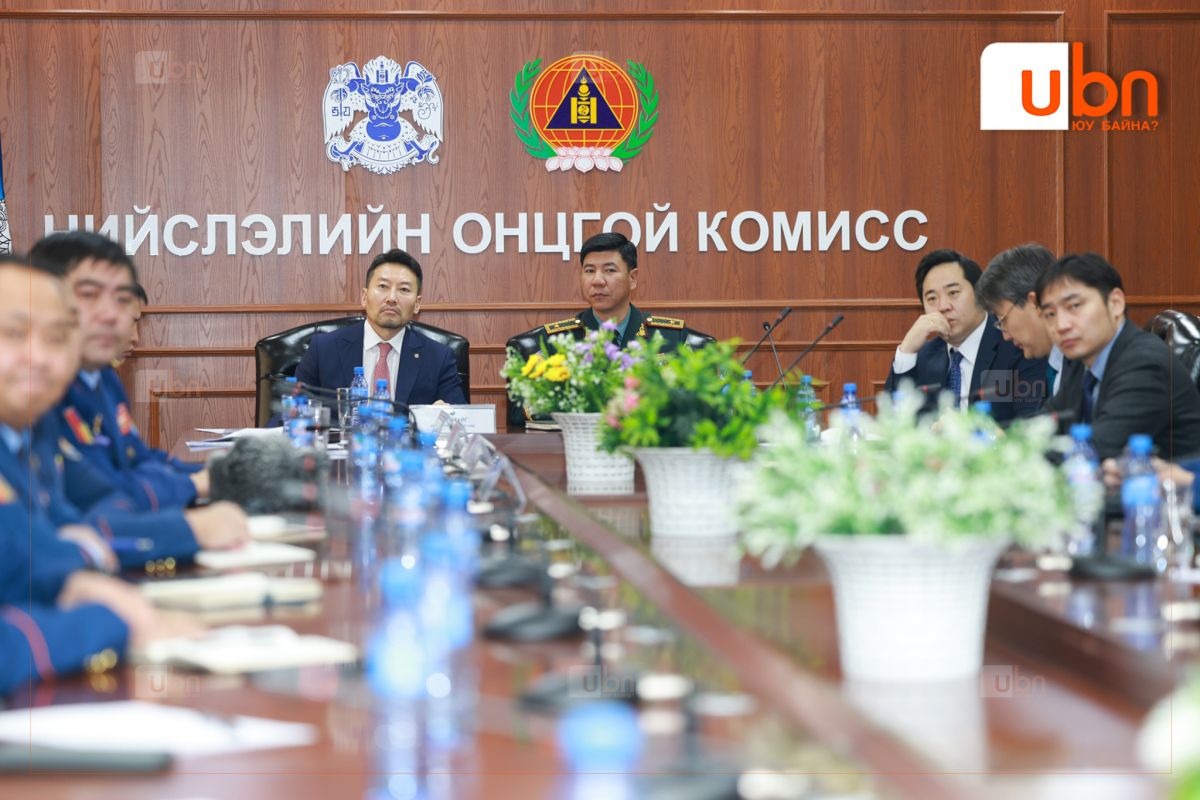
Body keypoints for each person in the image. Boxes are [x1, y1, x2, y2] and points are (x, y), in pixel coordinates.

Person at [0, 253, 200, 695]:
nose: (38, 357)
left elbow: (39, 554)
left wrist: (73, 573)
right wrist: (116, 622)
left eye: (56, 339)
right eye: (14, 334)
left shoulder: (30, 428)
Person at [30, 231, 210, 510]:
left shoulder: (101, 376)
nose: (111, 315)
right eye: (89, 295)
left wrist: (218, 476)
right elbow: (98, 497)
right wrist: (194, 487)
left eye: (121, 299)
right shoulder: (33, 390)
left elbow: (136, 459)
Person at [505, 231, 709, 428]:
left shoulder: (676, 339)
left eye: (609, 270)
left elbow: (700, 408)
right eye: (589, 271)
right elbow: (524, 410)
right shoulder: (551, 344)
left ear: (632, 278)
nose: (597, 280)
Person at [1040, 253, 1200, 460]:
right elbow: (1044, 422)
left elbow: (1098, 450)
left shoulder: (1145, 365)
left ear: (1115, 303)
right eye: (1050, 314)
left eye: (1074, 306)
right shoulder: (1084, 359)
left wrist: (1012, 457)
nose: (1061, 325)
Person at [884, 248, 1046, 423]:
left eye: (953, 293)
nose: (943, 306)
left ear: (979, 294)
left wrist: (965, 430)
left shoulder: (1016, 345)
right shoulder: (925, 356)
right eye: (931, 299)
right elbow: (893, 423)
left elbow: (1029, 427)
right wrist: (906, 351)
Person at [295, 248, 465, 408]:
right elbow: (289, 413)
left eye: (404, 289)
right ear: (364, 297)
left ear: (417, 304)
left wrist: (445, 414)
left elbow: (461, 421)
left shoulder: (438, 358)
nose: (392, 298)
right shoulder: (323, 350)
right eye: (383, 286)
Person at [975, 243, 1067, 400]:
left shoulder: (1087, 360)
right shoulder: (1056, 364)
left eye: (1003, 319)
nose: (1005, 336)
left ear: (1034, 302)